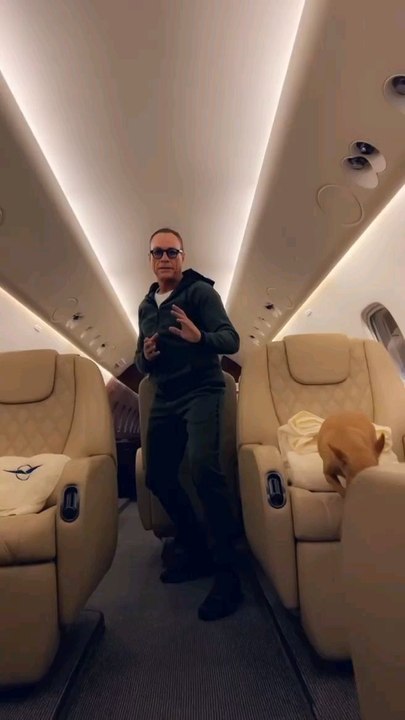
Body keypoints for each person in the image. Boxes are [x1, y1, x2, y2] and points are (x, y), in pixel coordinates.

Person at [135, 227, 242, 621]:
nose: (164, 258)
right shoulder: (146, 306)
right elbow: (140, 359)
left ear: (183, 257)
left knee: (204, 470)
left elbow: (231, 340)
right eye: (157, 252)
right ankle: (196, 550)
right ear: (150, 259)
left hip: (202, 390)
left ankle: (229, 575)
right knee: (157, 475)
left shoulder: (200, 293)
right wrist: (146, 356)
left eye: (172, 252)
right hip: (165, 395)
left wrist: (201, 338)